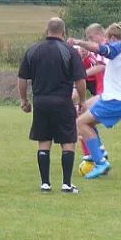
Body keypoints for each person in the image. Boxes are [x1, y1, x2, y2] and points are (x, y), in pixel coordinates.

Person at [18, 17, 87, 193]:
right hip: (63, 101)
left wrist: (24, 100)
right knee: (67, 142)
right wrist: (83, 100)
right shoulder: (70, 51)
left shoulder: (33, 50)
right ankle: (66, 184)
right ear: (63, 32)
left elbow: (22, 79)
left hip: (41, 102)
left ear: (47, 31)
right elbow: (80, 80)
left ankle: (45, 183)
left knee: (44, 141)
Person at [75, 22, 121, 179]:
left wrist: (79, 43)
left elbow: (104, 50)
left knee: (81, 123)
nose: (106, 42)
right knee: (83, 111)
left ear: (114, 38)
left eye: (108, 40)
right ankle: (99, 151)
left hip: (118, 98)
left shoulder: (118, 47)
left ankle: (101, 162)